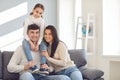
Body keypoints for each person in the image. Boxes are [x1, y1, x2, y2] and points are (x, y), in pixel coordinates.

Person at [22, 3, 48, 74]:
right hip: (29, 38)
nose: (38, 14)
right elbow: (24, 33)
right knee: (24, 43)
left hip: (39, 38)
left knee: (44, 45)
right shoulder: (28, 19)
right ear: (33, 10)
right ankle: (31, 64)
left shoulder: (41, 21)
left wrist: (37, 44)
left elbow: (41, 34)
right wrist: (31, 43)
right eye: (36, 11)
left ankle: (42, 65)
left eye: (40, 13)